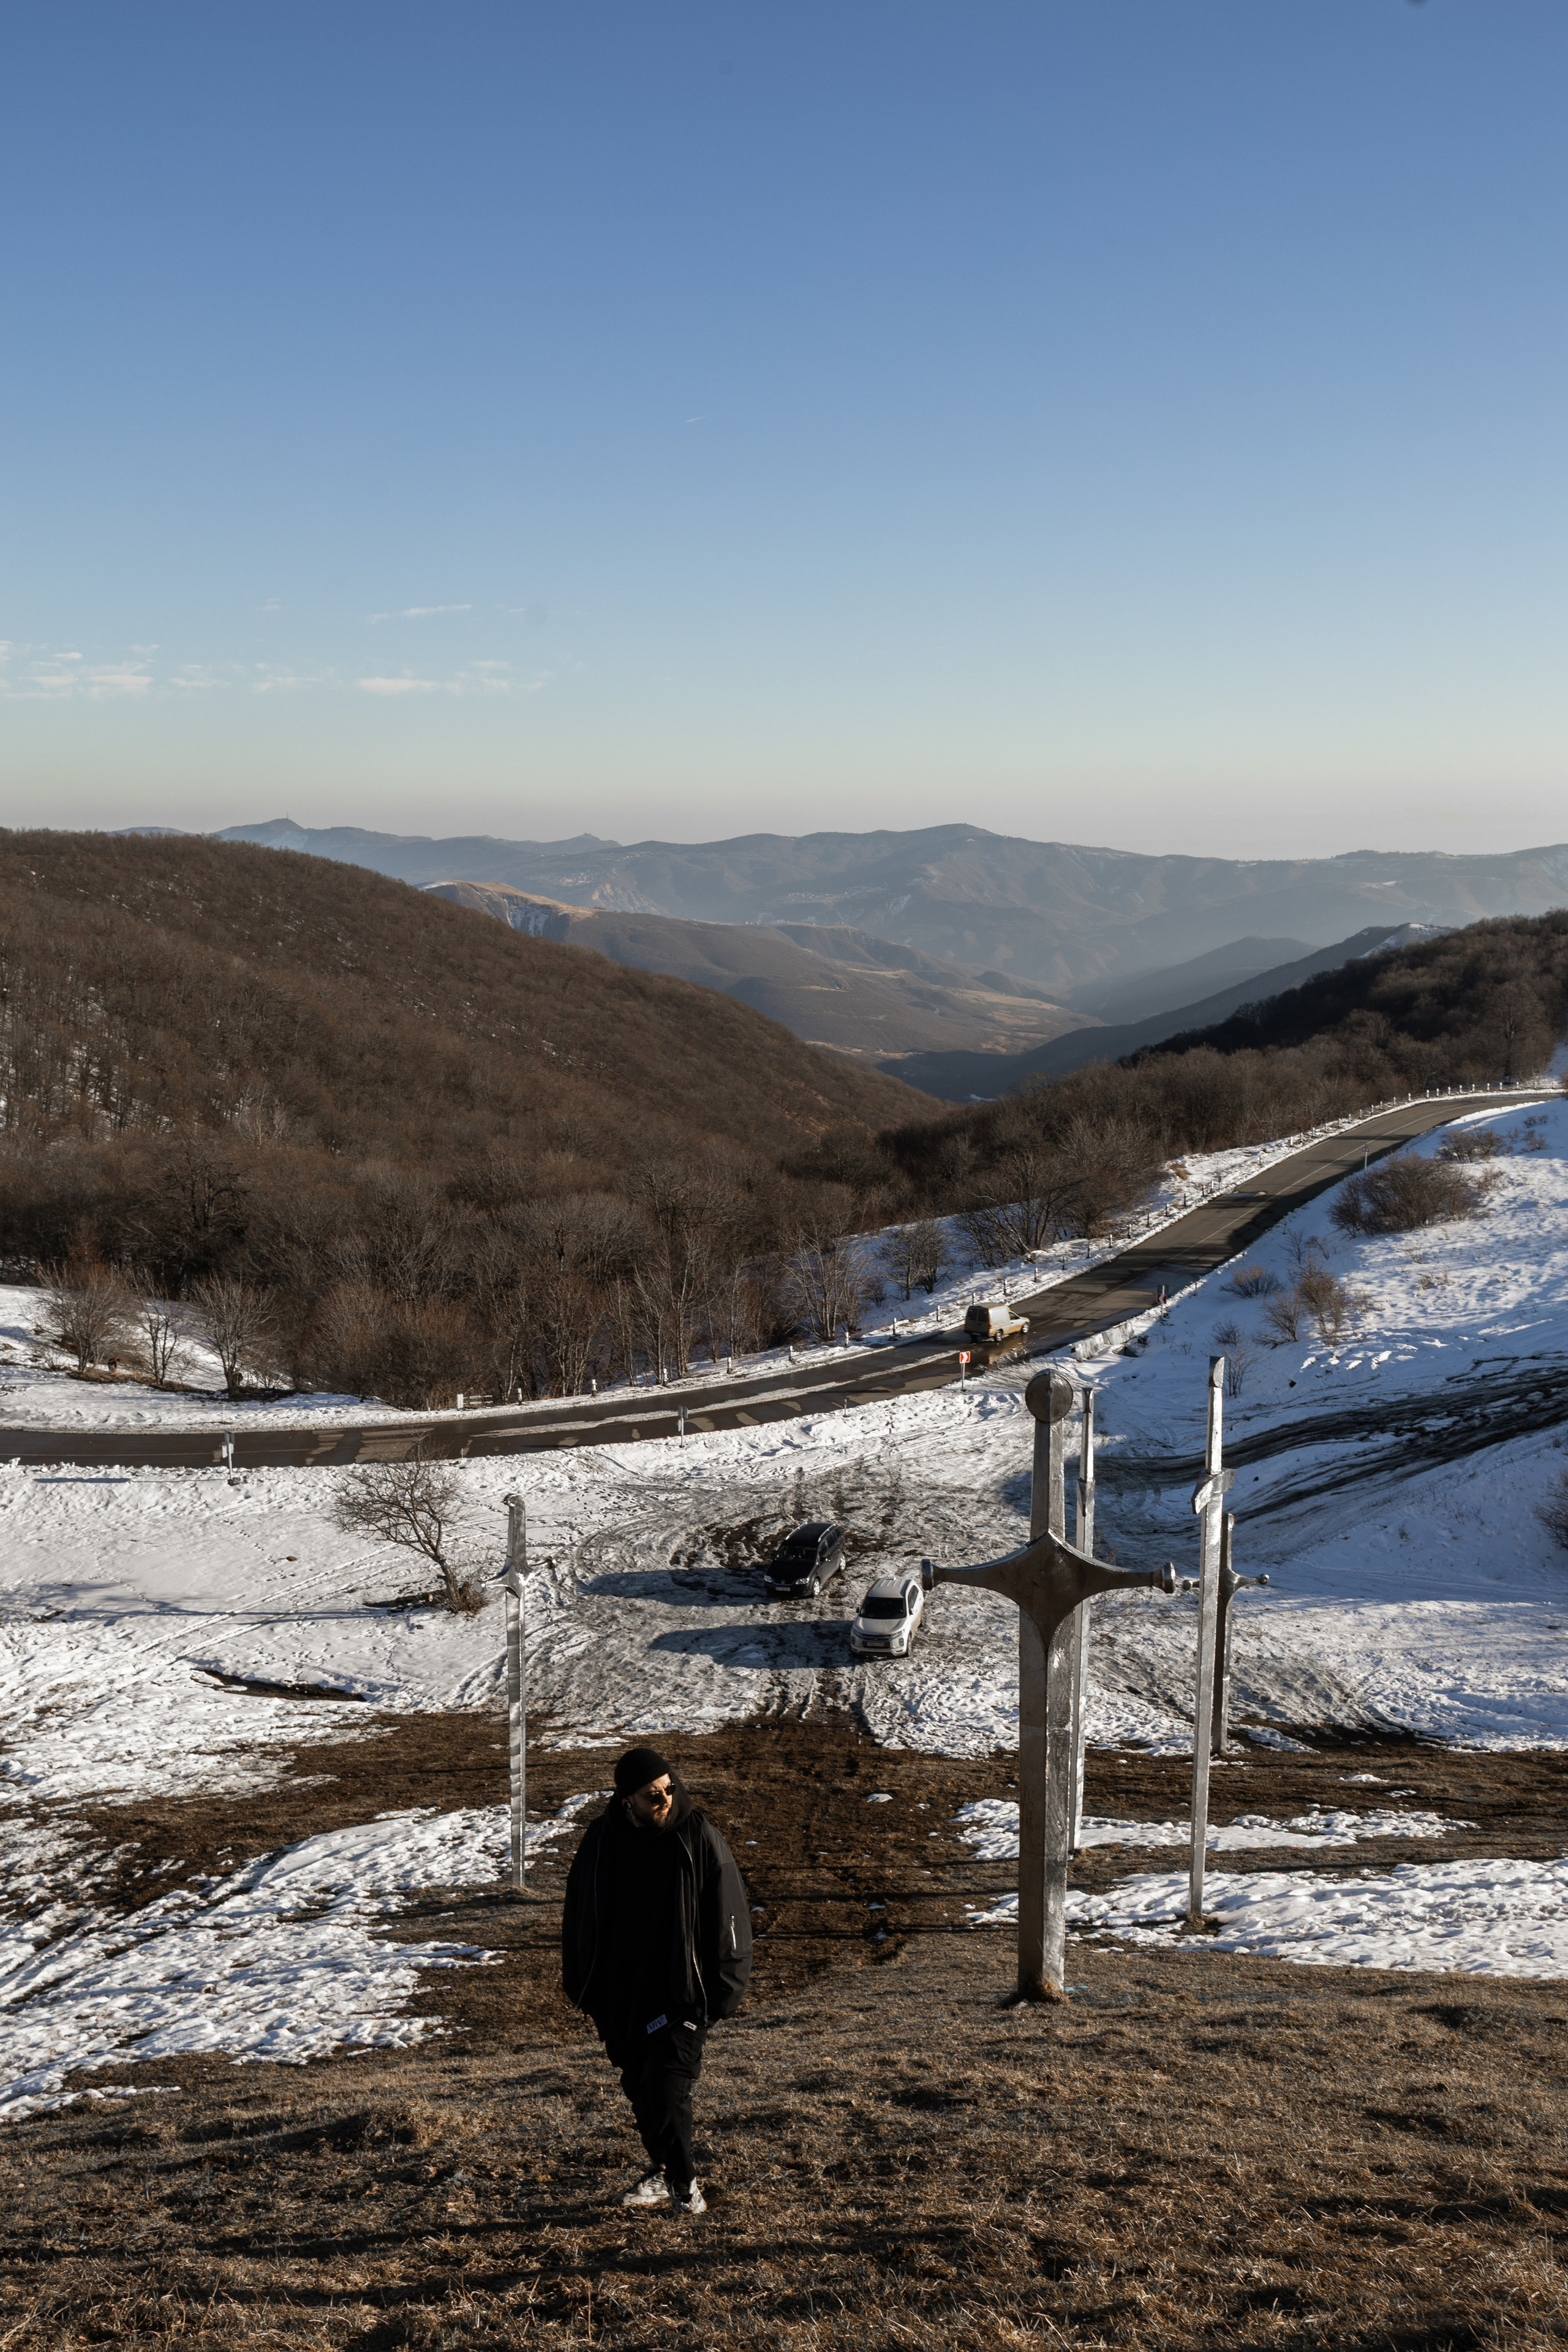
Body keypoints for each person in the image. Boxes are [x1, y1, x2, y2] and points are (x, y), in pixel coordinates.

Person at [562, 1745, 752, 2217]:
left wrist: (721, 1992)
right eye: (652, 1795)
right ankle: (665, 2170)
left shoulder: (698, 1836)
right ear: (627, 1800)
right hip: (622, 1996)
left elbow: (730, 1918)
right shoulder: (602, 1840)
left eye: (669, 1789)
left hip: (682, 1995)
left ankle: (686, 2187)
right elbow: (577, 1912)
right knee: (642, 2093)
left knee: (669, 2091)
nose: (665, 1799)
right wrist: (581, 1982)